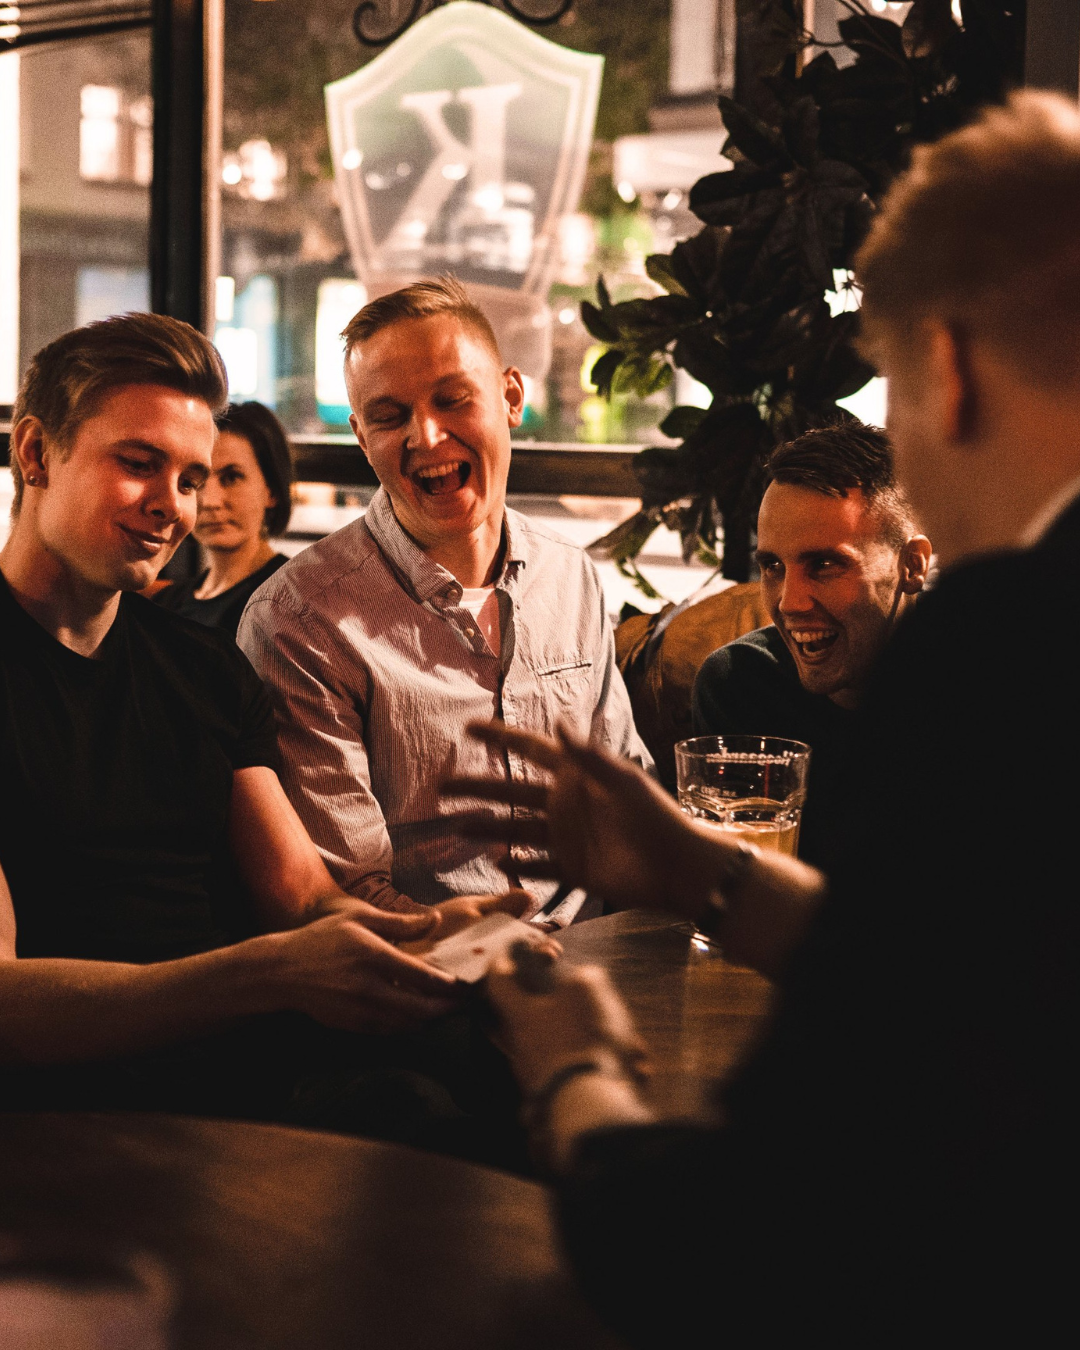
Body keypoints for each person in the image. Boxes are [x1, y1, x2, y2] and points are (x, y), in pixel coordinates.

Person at [443, 91, 1080, 1342]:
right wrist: (702, 872)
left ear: (947, 369)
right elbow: (971, 983)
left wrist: (573, 1072)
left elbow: (753, 1238)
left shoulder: (1004, 639)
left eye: (890, 388)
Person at [0, 312, 526, 1148]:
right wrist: (264, 976)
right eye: (138, 464)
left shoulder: (203, 669)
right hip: (72, 1117)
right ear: (34, 453)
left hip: (248, 1077)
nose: (171, 507)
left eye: (191, 478)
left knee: (498, 1083)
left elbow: (304, 901)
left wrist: (431, 934)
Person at [239, 277, 649, 926]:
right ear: (361, 437)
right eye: (389, 416)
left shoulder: (571, 576)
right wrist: (476, 951)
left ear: (511, 398)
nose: (426, 437)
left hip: (601, 950)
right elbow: (344, 891)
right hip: (428, 970)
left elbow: (628, 803)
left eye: (453, 400)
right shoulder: (300, 619)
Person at [692, 422, 931, 863]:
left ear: (912, 566)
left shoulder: (982, 683)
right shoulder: (741, 686)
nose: (790, 603)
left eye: (823, 564)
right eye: (772, 566)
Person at [153, 400, 293, 637]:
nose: (210, 501)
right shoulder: (165, 603)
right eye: (195, 481)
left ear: (271, 490)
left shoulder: (289, 600)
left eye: (232, 477)